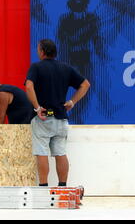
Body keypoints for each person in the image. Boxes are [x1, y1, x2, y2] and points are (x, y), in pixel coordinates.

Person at [25, 39, 90, 187]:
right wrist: (72, 102)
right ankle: (62, 187)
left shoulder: (36, 67)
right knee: (60, 153)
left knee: (42, 152)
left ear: (42, 52)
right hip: (61, 116)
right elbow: (85, 84)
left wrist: (37, 107)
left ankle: (43, 187)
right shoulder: (65, 68)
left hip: (43, 116)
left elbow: (29, 87)